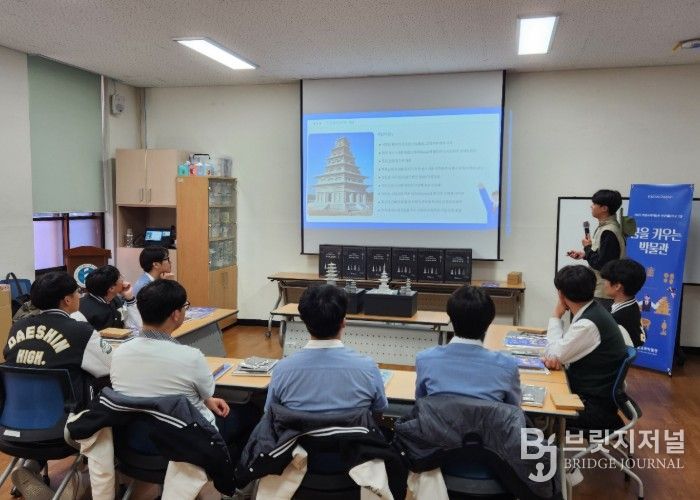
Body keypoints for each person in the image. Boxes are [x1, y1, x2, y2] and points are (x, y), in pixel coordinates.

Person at [110, 280, 255, 453]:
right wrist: (206, 399)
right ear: (176, 314)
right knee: (252, 411)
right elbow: (207, 391)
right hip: (188, 443)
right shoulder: (190, 356)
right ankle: (230, 467)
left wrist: (206, 400)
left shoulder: (119, 352)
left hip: (135, 440)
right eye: (185, 306)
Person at [5, 272, 110, 499]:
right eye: (77, 293)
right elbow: (108, 368)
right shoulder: (80, 331)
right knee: (105, 421)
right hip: (62, 428)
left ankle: (29, 467)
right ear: (67, 300)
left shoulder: (17, 327)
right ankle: (84, 485)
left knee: (42, 396)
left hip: (12, 423)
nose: (80, 296)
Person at [265, 284, 387, 415]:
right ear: (343, 322)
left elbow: (270, 412)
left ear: (305, 322)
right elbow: (380, 408)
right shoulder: (368, 368)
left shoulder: (282, 369)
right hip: (354, 429)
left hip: (298, 429)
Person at [544, 265, 627, 431]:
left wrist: (556, 316)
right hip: (592, 395)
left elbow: (553, 354)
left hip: (592, 407)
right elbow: (559, 353)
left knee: (534, 409)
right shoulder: (593, 310)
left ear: (560, 294)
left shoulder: (587, 324)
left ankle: (547, 446)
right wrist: (558, 357)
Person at [415, 285, 521, 405]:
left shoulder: (425, 360)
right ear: (489, 321)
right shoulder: (507, 366)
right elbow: (513, 410)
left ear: (450, 317)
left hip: (437, 418)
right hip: (486, 418)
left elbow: (421, 405)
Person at [567, 189, 625, 310]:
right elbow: (604, 256)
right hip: (602, 289)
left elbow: (602, 265)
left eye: (594, 204)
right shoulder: (606, 227)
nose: (591, 206)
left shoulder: (609, 231)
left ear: (604, 208)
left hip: (604, 293)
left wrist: (587, 248)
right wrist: (585, 255)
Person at [73, 265, 142, 331]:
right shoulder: (82, 308)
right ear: (111, 288)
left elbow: (137, 326)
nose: (123, 279)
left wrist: (130, 299)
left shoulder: (115, 299)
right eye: (120, 277)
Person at [600, 259, 647, 347]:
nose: (604, 284)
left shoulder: (618, 318)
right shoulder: (633, 305)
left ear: (617, 286)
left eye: (605, 280)